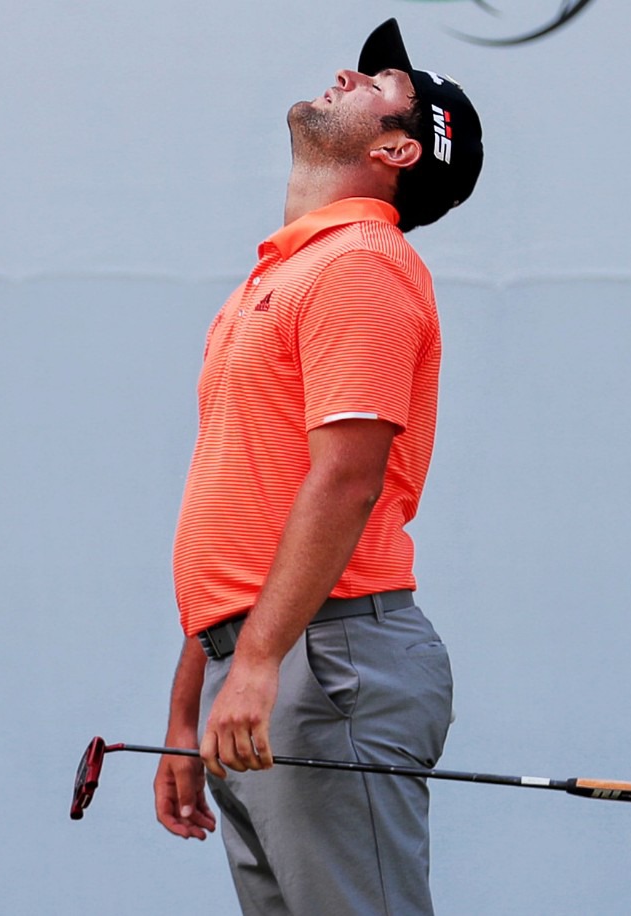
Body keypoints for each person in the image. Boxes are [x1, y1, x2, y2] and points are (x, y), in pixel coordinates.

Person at [151, 18, 483, 916]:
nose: (348, 73)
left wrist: (256, 663)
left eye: (383, 84)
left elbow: (347, 480)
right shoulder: (283, 276)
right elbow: (248, 511)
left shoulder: (361, 266)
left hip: (325, 659)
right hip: (268, 658)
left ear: (402, 147)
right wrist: (193, 705)